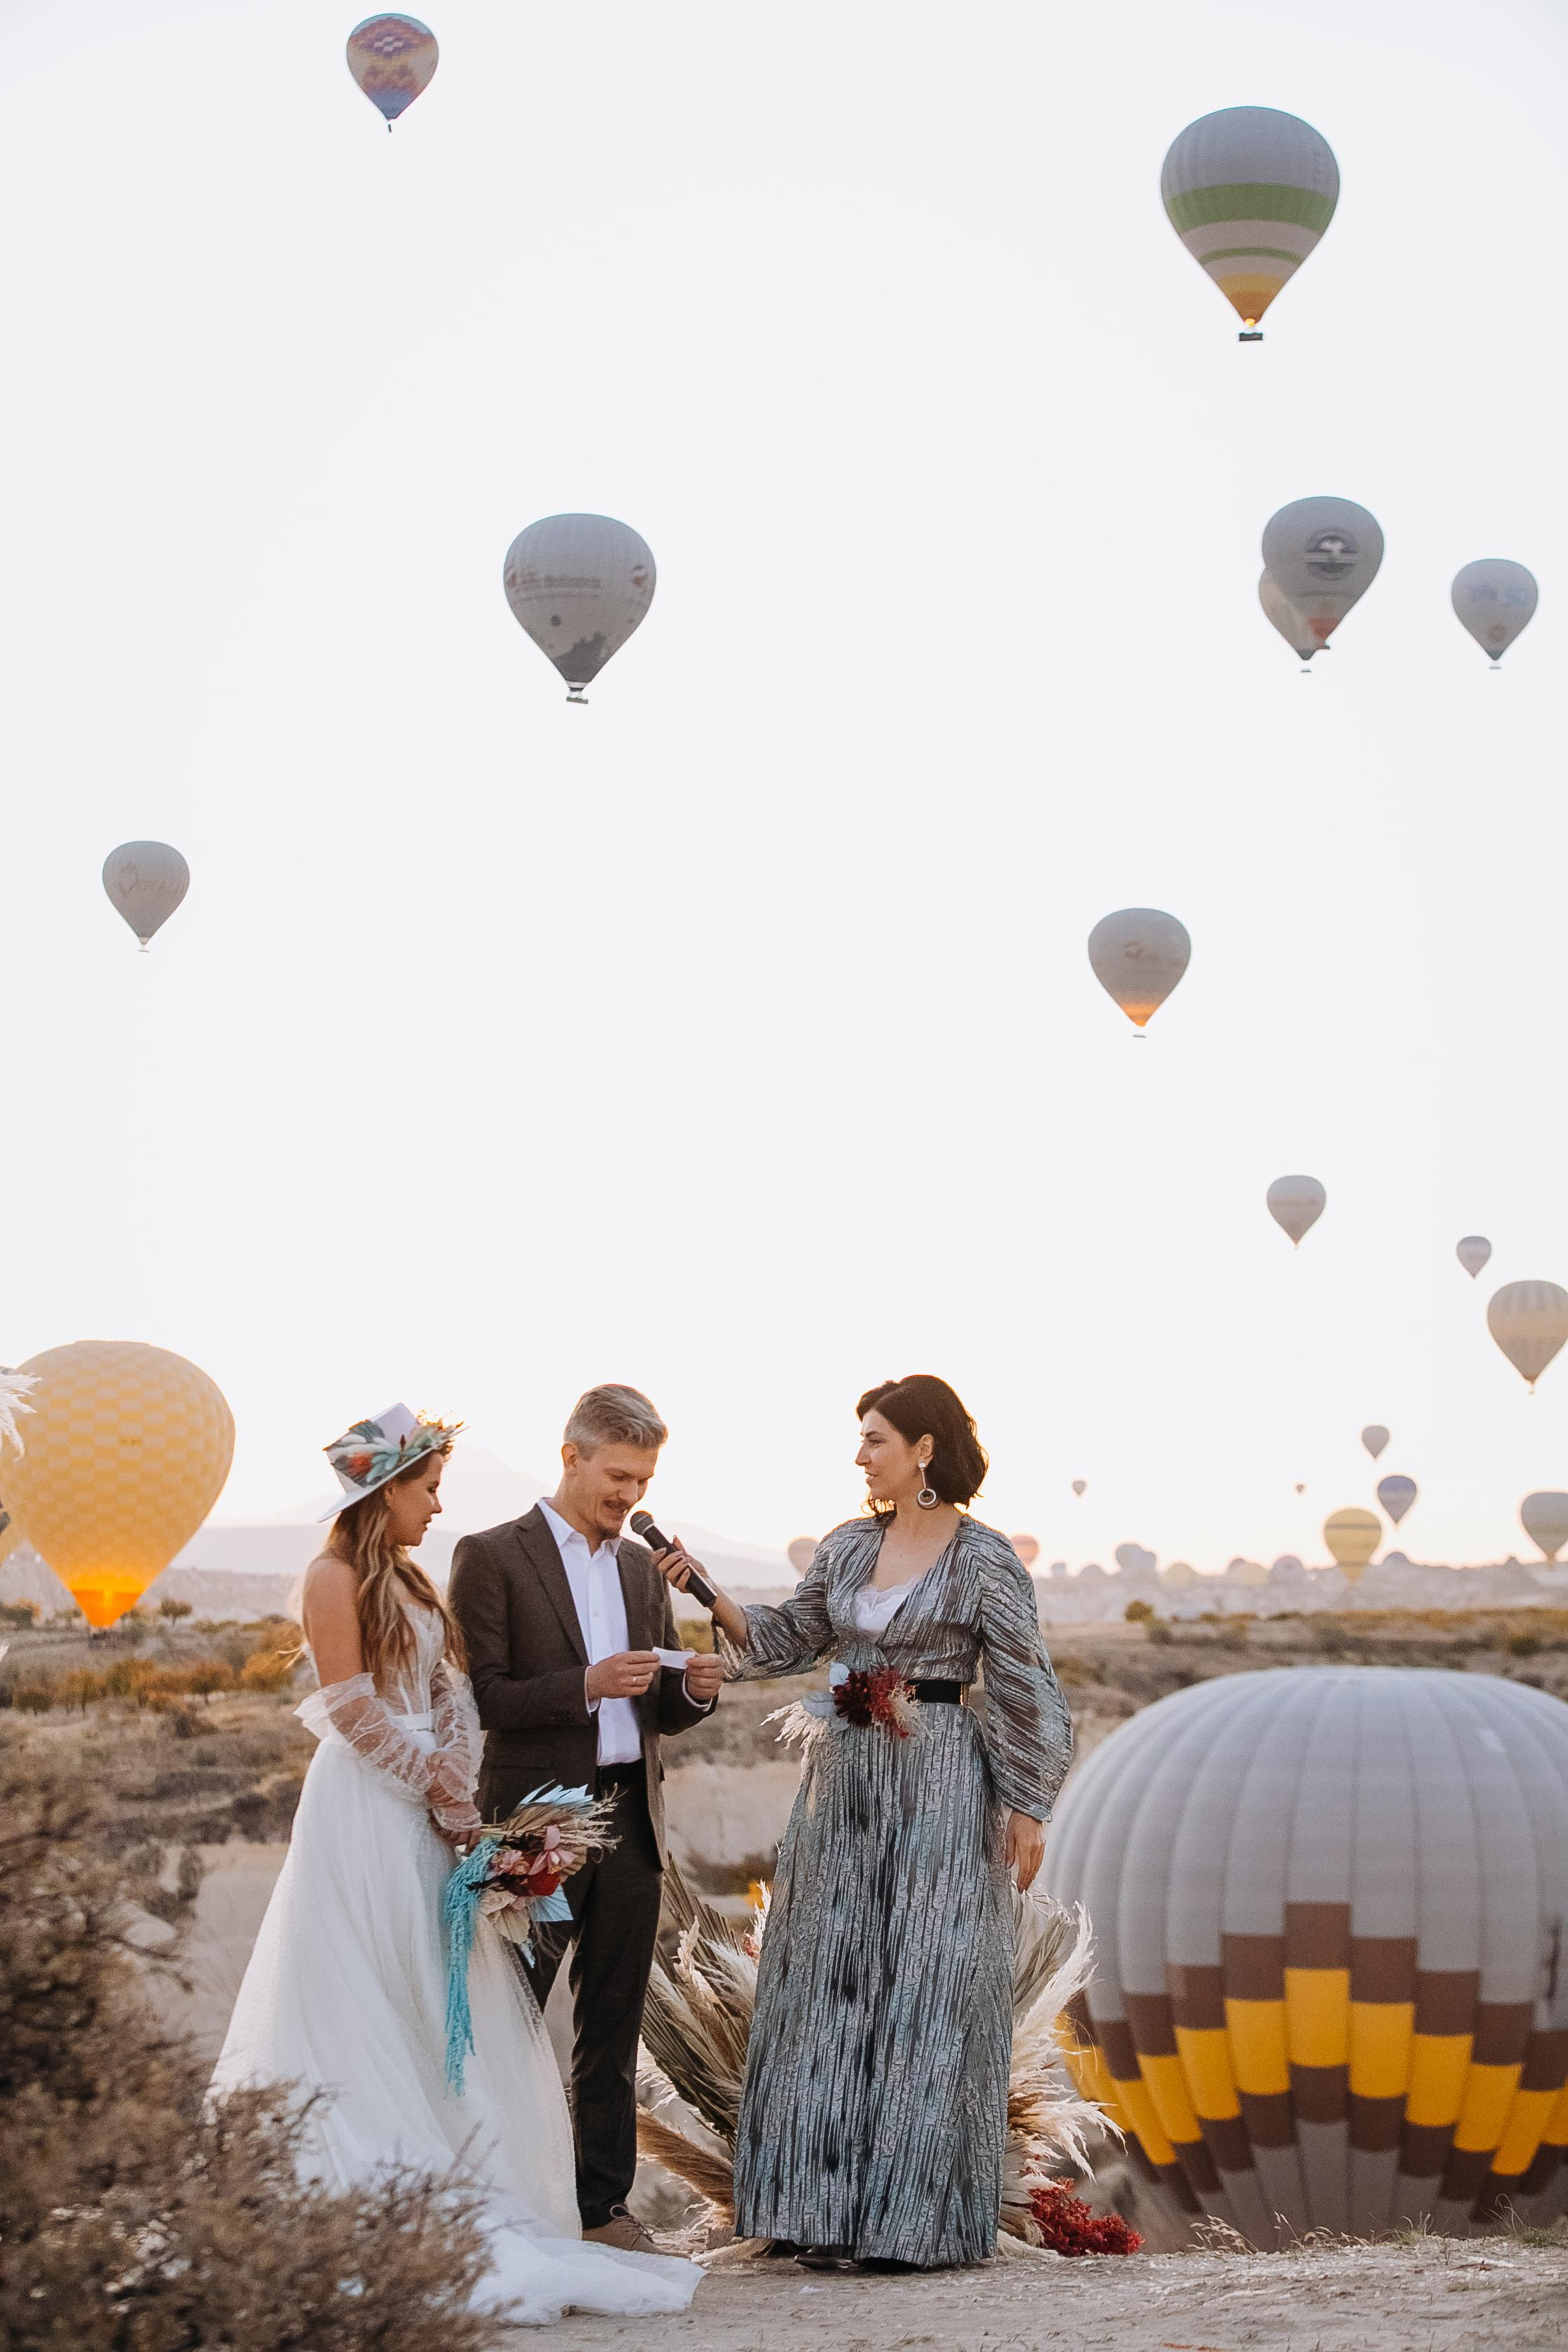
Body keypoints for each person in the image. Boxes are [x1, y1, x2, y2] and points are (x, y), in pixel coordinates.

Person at [210, 1403, 702, 2328]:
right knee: (370, 1987)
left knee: (443, 1998)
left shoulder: (413, 1580)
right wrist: (435, 1781)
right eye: (427, 1489)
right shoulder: (330, 1576)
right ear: (383, 1490)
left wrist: (458, 1774)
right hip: (366, 1814)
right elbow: (350, 1708)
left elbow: (452, 1693)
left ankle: (494, 2187)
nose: (438, 1506)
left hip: (441, 1815)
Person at [694, 1373, 1073, 2272]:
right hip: (843, 1779)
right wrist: (709, 1597)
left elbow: (1024, 1682)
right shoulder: (845, 1545)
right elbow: (791, 1637)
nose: (859, 1454)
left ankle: (914, 2226)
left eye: (873, 1438)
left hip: (942, 1773)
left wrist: (1026, 1805)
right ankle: (811, 2212)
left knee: (928, 1980)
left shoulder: (983, 1560)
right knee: (823, 1977)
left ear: (923, 1450)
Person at [448, 1384, 723, 2251]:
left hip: (631, 1824)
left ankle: (600, 2210)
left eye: (641, 1478)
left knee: (609, 2030)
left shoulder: (644, 1568)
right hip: (534, 1825)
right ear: (570, 1456)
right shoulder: (490, 1555)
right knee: (512, 2016)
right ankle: (493, 2199)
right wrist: (583, 1686)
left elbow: (657, 1711)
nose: (629, 1495)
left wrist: (694, 1691)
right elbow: (485, 1696)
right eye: (616, 1475)